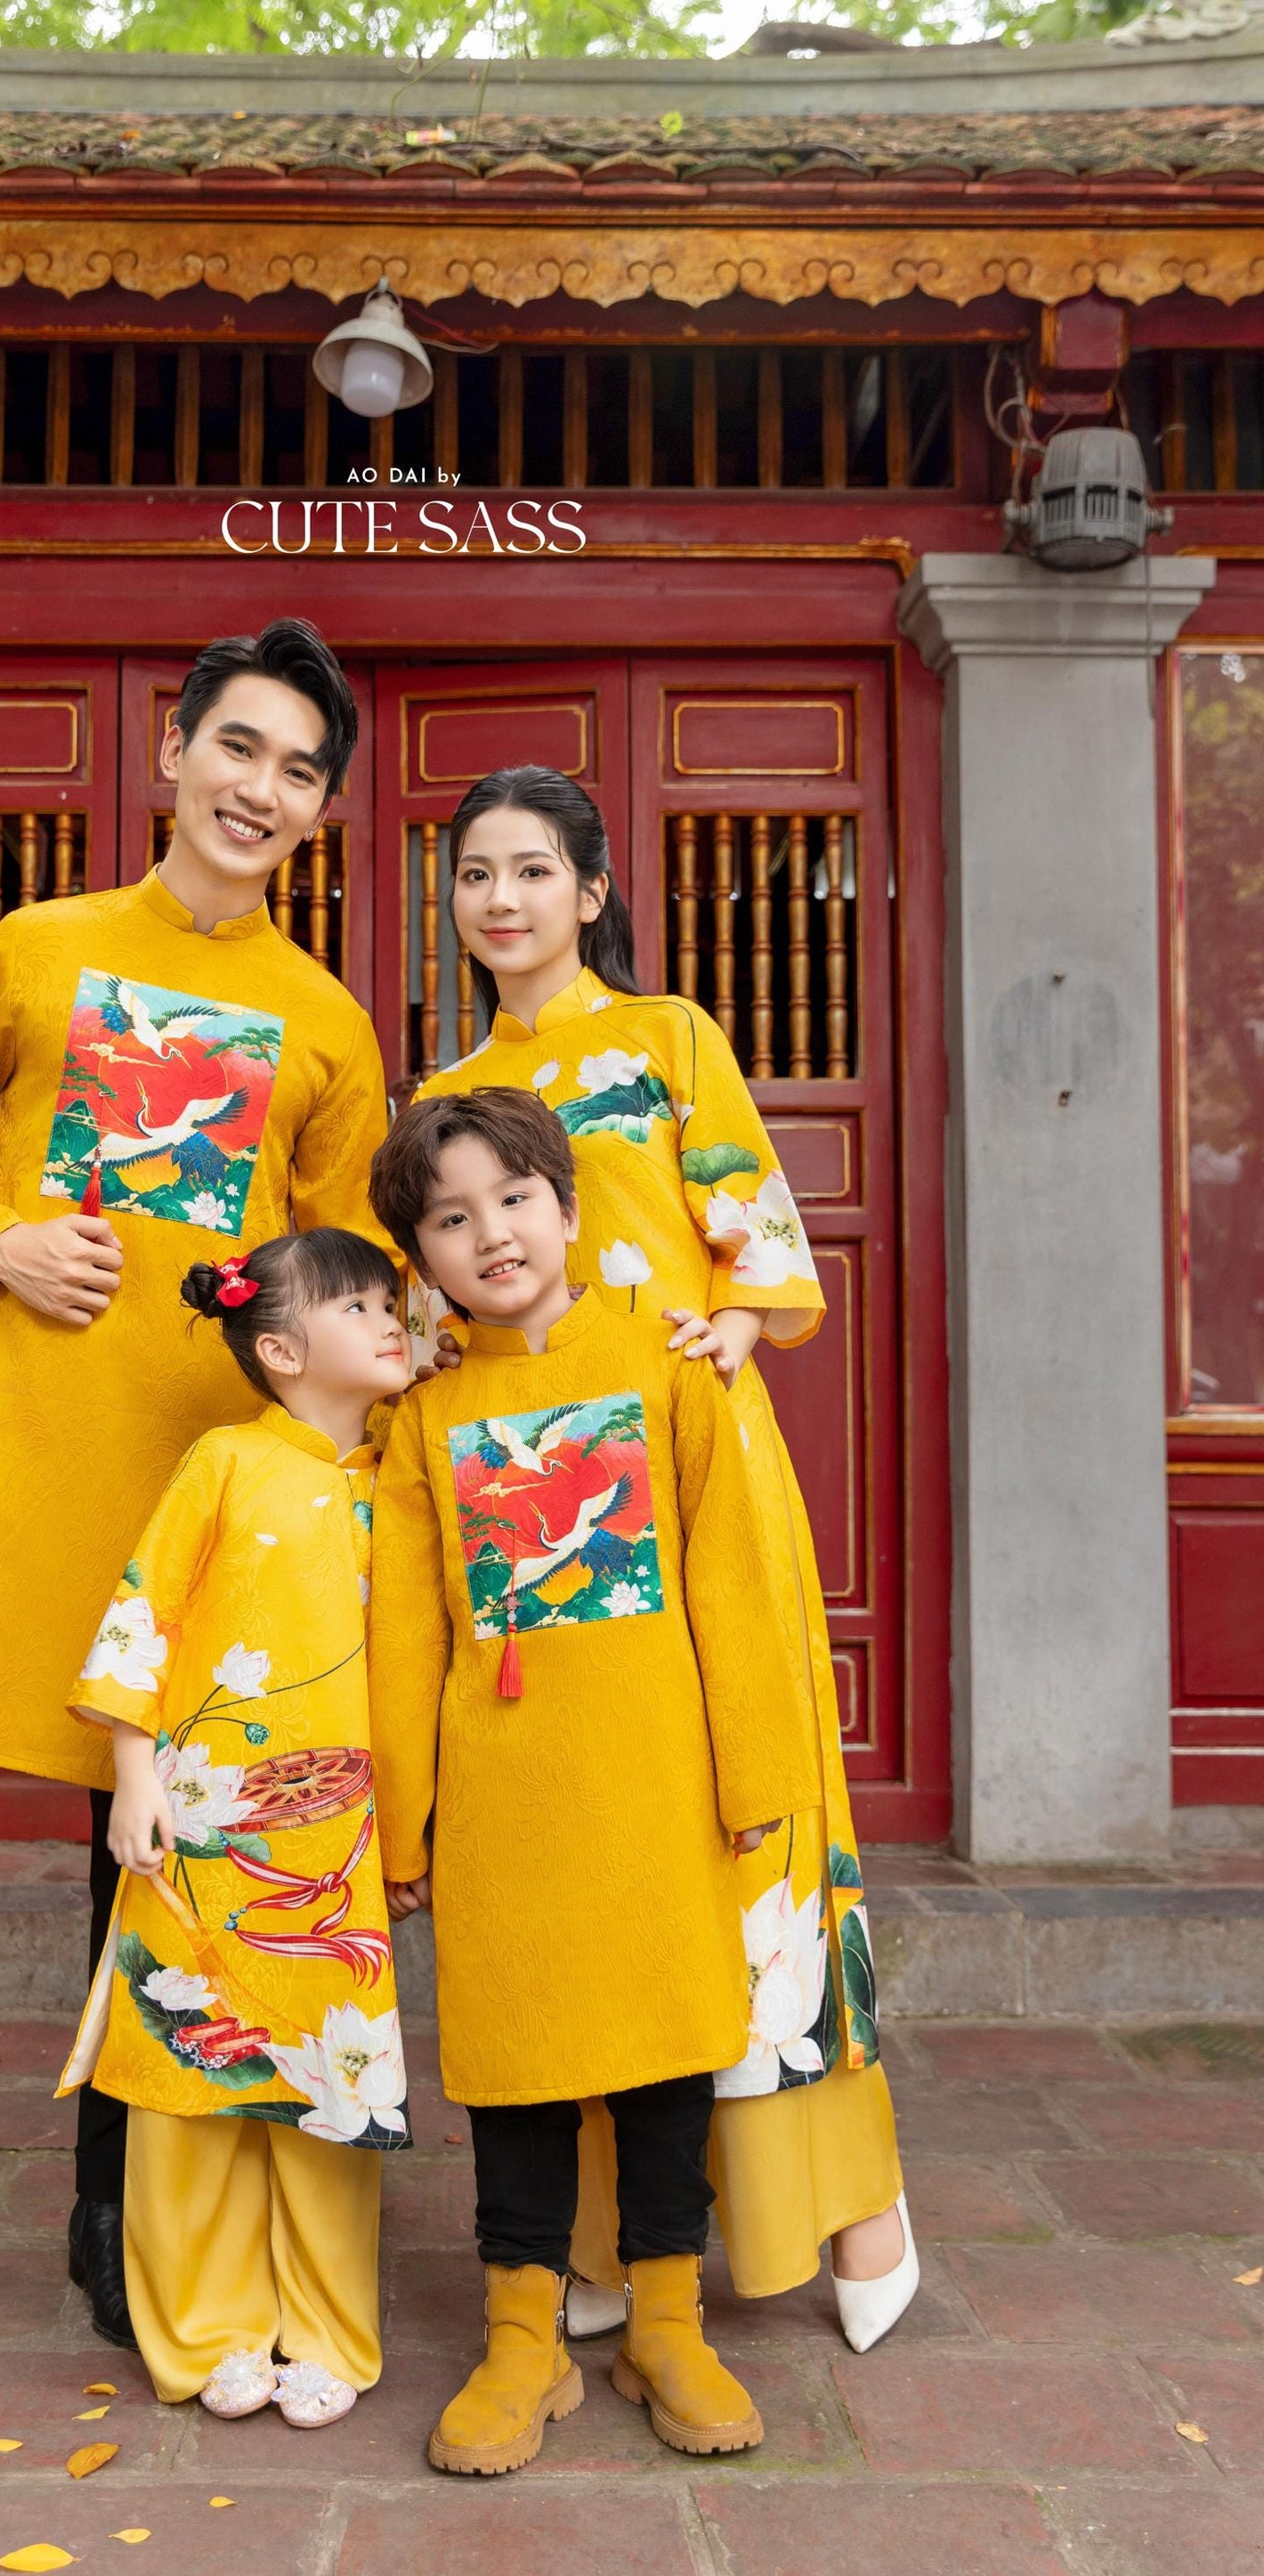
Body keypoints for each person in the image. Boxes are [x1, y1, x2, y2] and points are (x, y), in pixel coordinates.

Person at [0, 621, 394, 2360]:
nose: (259, 789)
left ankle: (116, 2183)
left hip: (185, 1477)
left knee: (149, 1844)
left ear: (319, 812)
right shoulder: (34, 949)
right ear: (171, 752)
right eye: (239, 749)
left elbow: (338, 1272)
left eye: (296, 772)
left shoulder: (326, 1023)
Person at [417, 765, 916, 2356]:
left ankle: (849, 2201)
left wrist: (740, 1325)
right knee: (576, 1865)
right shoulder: (442, 1097)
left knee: (751, 1838)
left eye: (533, 871)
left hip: (695, 1458)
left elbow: (758, 1239)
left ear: (588, 889)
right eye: (475, 873)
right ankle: (596, 2244)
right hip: (528, 1490)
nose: (502, 899)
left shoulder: (670, 1038)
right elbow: (434, 1304)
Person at [366, 1088, 820, 2475]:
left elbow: (733, 1580)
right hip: (501, 1785)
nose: (489, 1234)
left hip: (656, 1771)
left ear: (567, 1209)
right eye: (449, 1218)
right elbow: (403, 1623)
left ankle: (668, 2323)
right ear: (420, 1259)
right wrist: (402, 1813)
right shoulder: (426, 1412)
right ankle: (521, 2335)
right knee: (511, 2066)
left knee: (671, 2054)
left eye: (512, 1199)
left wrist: (755, 1769)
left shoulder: (670, 1361)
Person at [56, 1227, 411, 2426]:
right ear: (277, 1347)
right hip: (205, 1820)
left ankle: (322, 2325)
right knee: (189, 2071)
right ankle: (206, 2327)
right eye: (357, 1307)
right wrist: (132, 1769)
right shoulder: (222, 1460)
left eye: (389, 1303)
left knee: (328, 2076)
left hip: (337, 1837)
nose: (388, 1321)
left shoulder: (410, 1471)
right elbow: (141, 1608)